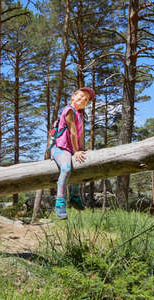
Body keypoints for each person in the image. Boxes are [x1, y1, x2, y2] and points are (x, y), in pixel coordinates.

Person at [51, 87, 95, 219]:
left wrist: (81, 149)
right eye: (81, 96)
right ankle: (59, 202)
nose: (83, 100)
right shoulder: (69, 110)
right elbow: (73, 132)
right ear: (73, 96)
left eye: (86, 100)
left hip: (71, 149)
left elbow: (81, 135)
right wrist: (76, 151)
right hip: (59, 148)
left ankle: (75, 196)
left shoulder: (80, 114)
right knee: (66, 168)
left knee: (81, 164)